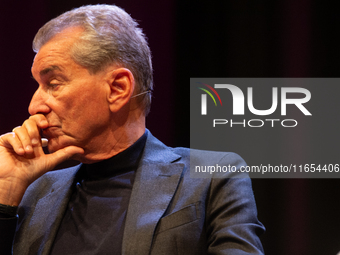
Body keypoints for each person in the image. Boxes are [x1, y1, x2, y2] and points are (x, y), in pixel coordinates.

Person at [0, 4, 264, 255]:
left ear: (118, 89)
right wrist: (4, 192)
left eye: (53, 83)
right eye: (38, 85)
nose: (34, 105)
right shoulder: (35, 192)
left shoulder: (211, 177)